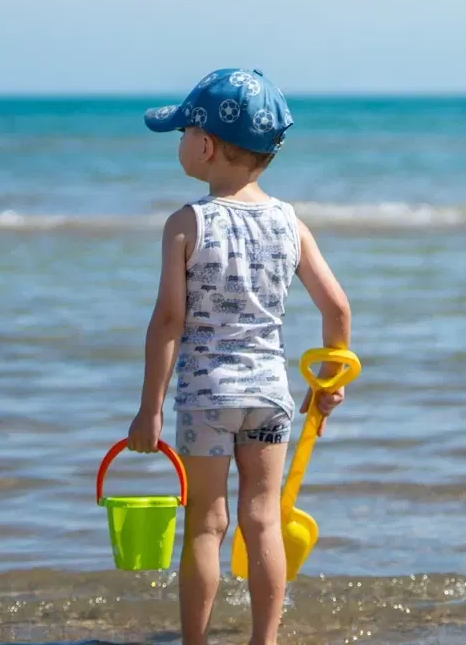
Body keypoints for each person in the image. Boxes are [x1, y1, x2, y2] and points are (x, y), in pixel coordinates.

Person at [126, 68, 353, 645]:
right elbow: (337, 309)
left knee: (206, 524)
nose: (179, 143)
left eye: (181, 132)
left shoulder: (187, 223)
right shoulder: (289, 223)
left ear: (204, 145)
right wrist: (329, 380)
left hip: (206, 397)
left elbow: (169, 323)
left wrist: (149, 409)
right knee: (263, 518)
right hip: (270, 396)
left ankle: (196, 643)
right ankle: (264, 642)